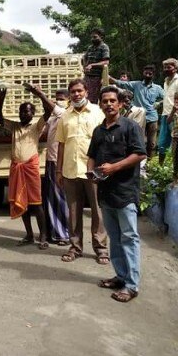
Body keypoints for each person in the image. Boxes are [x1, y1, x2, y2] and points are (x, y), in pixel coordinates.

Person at [88, 86, 147, 303]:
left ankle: (132, 285)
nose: (109, 104)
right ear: (101, 105)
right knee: (114, 238)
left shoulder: (130, 126)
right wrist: (92, 173)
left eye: (113, 100)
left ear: (120, 104)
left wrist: (114, 168)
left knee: (129, 237)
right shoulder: (98, 131)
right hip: (106, 192)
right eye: (105, 101)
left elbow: (140, 154)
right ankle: (121, 276)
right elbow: (92, 155)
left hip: (126, 191)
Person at [55, 78, 109, 264]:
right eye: (73, 92)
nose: (76, 94)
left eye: (79, 91)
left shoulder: (98, 112)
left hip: (93, 171)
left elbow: (105, 141)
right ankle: (75, 247)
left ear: (86, 92)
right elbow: (61, 145)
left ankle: (101, 249)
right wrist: (58, 171)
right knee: (73, 211)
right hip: (70, 170)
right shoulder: (65, 116)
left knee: (97, 210)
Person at [0, 85, 53, 250]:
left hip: (30, 168)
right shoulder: (14, 126)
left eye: (27, 111)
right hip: (16, 168)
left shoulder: (36, 126)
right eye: (22, 111)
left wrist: (40, 94)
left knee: (36, 203)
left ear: (32, 114)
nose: (24, 114)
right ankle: (29, 235)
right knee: (22, 203)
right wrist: (2, 101)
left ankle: (42, 236)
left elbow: (48, 111)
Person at [111, 64, 164, 159]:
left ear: (153, 74)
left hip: (152, 117)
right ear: (143, 73)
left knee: (152, 143)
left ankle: (150, 164)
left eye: (150, 73)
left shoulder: (157, 88)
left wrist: (159, 103)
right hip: (138, 117)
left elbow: (167, 97)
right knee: (138, 140)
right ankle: (139, 162)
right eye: (146, 72)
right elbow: (122, 83)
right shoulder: (136, 85)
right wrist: (109, 77)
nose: (148, 74)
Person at [43, 88, 69, 245]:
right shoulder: (53, 118)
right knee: (51, 199)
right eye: (56, 98)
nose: (58, 101)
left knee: (61, 199)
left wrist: (40, 94)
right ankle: (52, 231)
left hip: (60, 162)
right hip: (50, 160)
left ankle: (63, 234)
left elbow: (52, 107)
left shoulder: (64, 114)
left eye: (61, 98)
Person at [158, 58, 178, 165]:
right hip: (165, 114)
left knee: (177, 143)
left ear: (175, 68)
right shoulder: (166, 82)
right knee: (162, 143)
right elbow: (168, 98)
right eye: (165, 67)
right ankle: (160, 166)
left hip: (176, 115)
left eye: (169, 67)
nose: (166, 69)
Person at [82, 29, 110, 103]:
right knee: (83, 95)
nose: (93, 39)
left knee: (91, 99)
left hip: (97, 77)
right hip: (87, 76)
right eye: (92, 37)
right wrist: (85, 67)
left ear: (101, 37)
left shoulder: (104, 47)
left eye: (95, 37)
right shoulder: (90, 47)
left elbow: (106, 62)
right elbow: (85, 57)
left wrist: (92, 65)